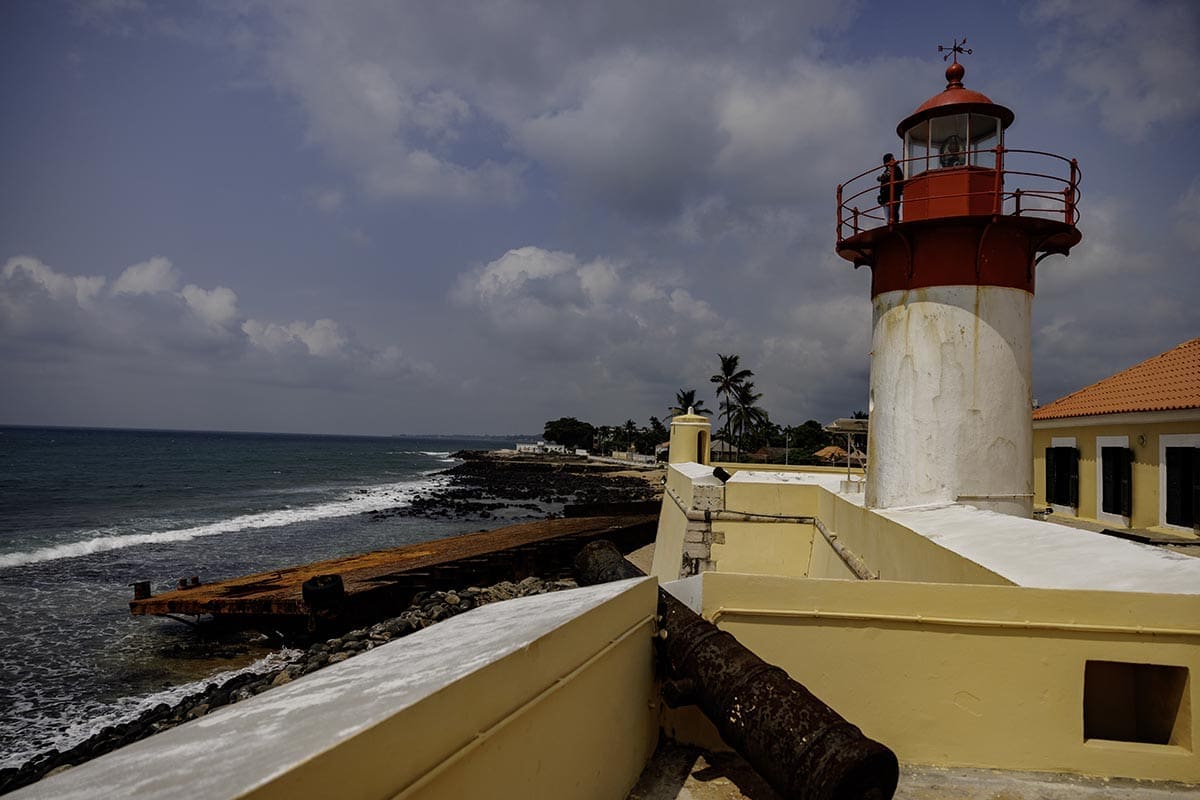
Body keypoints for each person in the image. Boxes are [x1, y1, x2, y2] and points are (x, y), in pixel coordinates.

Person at [876, 153, 904, 224]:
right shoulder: (890, 170)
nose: (893, 160)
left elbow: (881, 178)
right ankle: (890, 223)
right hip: (887, 196)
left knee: (893, 212)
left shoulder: (895, 169)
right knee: (889, 214)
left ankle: (893, 223)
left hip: (893, 195)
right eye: (892, 159)